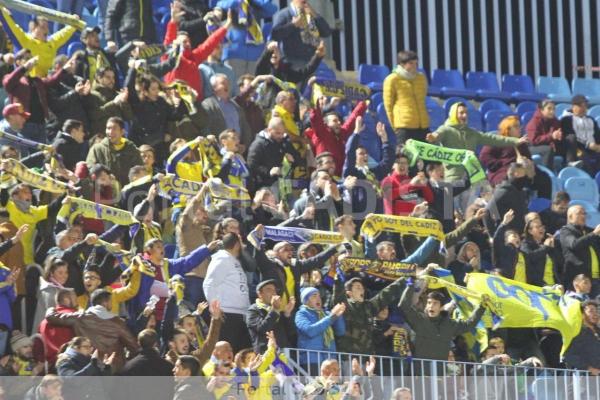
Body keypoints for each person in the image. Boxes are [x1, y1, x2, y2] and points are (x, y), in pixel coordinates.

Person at [426, 102, 527, 183]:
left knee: (473, 205)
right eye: (461, 113)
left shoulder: (472, 132)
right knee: (449, 207)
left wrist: (516, 141)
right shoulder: (445, 130)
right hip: (453, 177)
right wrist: (433, 137)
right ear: (453, 114)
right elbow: (437, 135)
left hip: (472, 177)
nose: (464, 115)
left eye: (466, 113)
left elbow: (493, 138)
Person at [45, 288, 140, 371]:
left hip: (88, 367)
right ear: (106, 302)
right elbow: (133, 347)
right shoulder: (118, 323)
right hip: (113, 369)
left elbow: (52, 317)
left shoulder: (80, 317)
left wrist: (51, 308)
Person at [398, 282, 486, 363]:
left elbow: (469, 324)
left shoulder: (449, 324)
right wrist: (410, 286)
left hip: (440, 374)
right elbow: (403, 306)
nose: (431, 306)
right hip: (419, 374)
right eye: (429, 303)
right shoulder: (419, 319)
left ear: (441, 307)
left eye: (435, 303)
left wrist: (482, 307)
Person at [332, 275, 407, 355]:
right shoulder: (345, 306)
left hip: (367, 358)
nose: (362, 290)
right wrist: (338, 281)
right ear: (349, 293)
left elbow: (385, 295)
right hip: (348, 357)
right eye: (358, 287)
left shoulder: (368, 307)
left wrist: (404, 280)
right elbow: (338, 297)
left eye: (362, 288)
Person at [480, 115, 552, 199]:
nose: (519, 128)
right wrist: (505, 163)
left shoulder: (521, 143)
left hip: (522, 170)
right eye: (516, 126)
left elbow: (528, 158)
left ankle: (543, 206)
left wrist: (527, 163)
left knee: (544, 179)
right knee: (513, 179)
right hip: (503, 172)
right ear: (508, 129)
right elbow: (484, 157)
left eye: (519, 126)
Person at [163, 9, 230, 96]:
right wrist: (172, 22)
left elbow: (210, 43)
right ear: (175, 43)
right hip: (174, 100)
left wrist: (227, 24)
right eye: (183, 41)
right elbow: (168, 41)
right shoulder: (168, 58)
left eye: (188, 41)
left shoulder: (194, 56)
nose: (187, 44)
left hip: (194, 102)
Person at [203, 233, 252, 352]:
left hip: (240, 316)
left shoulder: (233, 261)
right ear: (236, 245)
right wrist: (215, 309)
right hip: (227, 315)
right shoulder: (222, 258)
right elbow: (209, 283)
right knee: (226, 354)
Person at [0, 10, 76, 78]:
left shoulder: (52, 42)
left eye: (47, 26)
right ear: (33, 29)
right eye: (43, 27)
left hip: (46, 85)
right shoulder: (25, 40)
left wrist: (74, 23)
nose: (46, 29)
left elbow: (64, 34)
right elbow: (10, 26)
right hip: (28, 86)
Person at [305, 95, 367, 177]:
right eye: (335, 121)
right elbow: (315, 119)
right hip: (324, 177)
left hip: (340, 178)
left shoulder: (341, 134)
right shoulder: (322, 133)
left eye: (339, 121)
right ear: (325, 124)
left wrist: (362, 103)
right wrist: (317, 108)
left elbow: (351, 121)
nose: (339, 123)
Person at [383, 50, 429, 143]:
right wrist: (395, 126)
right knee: (404, 156)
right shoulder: (392, 79)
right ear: (401, 64)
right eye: (411, 63)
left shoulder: (421, 78)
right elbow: (388, 106)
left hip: (423, 126)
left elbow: (423, 99)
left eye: (416, 63)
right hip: (404, 127)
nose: (414, 66)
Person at [295, 286, 345, 370]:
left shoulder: (326, 314)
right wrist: (331, 317)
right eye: (314, 296)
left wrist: (338, 315)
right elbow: (310, 331)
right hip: (311, 360)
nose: (318, 298)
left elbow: (341, 332)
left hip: (330, 360)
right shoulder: (301, 314)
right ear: (306, 300)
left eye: (319, 296)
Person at [199, 74, 252, 151]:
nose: (227, 85)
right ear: (214, 87)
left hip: (238, 150)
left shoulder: (235, 105)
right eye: (223, 83)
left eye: (228, 83)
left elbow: (245, 126)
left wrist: (244, 145)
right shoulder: (208, 105)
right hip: (220, 151)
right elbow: (205, 128)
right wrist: (216, 146)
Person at [86, 117, 144, 186]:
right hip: (105, 192)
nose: (110, 132)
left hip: (129, 192)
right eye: (108, 128)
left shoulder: (132, 149)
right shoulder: (96, 149)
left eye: (114, 128)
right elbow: (90, 169)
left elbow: (140, 171)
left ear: (122, 132)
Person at [271, 0, 331, 67]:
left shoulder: (310, 14)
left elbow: (327, 32)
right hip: (291, 62)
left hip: (311, 61)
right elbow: (275, 34)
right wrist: (293, 25)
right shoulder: (284, 14)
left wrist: (315, 15)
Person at [247, 116, 299, 191]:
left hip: (284, 185)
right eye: (277, 133)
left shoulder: (284, 141)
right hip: (265, 186)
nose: (280, 136)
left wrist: (293, 160)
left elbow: (298, 159)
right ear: (269, 130)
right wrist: (269, 171)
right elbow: (251, 165)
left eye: (282, 133)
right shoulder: (258, 144)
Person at [559, 205, 600, 296]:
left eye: (584, 213)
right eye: (579, 213)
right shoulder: (566, 231)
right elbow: (575, 244)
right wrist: (594, 233)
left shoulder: (588, 231)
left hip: (595, 277)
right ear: (570, 217)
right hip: (579, 280)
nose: (583, 216)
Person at [245, 279, 295, 353]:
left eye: (274, 290)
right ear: (260, 294)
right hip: (265, 355)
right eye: (269, 290)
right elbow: (263, 329)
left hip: (283, 355)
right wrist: (274, 310)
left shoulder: (278, 310)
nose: (273, 293)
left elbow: (291, 333)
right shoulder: (253, 311)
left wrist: (287, 314)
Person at [382, 152, 433, 216]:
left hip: (411, 222)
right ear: (393, 165)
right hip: (393, 223)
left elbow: (430, 199)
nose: (402, 165)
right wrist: (410, 185)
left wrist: (424, 185)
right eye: (399, 163)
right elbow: (389, 195)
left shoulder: (413, 180)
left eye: (405, 163)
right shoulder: (387, 180)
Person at [484, 163, 530, 234]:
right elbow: (488, 212)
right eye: (523, 174)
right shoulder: (503, 192)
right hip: (507, 236)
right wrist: (492, 235)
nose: (525, 177)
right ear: (516, 174)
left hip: (520, 235)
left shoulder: (520, 191)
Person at [561, 94, 600, 175]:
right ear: (573, 107)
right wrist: (587, 145)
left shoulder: (591, 120)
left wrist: (598, 146)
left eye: (585, 106)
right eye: (580, 106)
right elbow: (570, 137)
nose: (583, 108)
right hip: (578, 148)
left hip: (594, 148)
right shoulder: (567, 120)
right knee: (584, 159)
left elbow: (597, 135)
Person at [38, 288, 76, 367]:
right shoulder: (75, 316)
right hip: (71, 363)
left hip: (50, 365)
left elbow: (38, 346)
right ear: (66, 299)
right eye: (75, 298)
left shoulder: (43, 322)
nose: (76, 301)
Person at [563, 300, 600, 375]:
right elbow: (569, 355)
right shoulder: (577, 332)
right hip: (584, 377)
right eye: (591, 311)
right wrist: (589, 368)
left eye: (597, 311)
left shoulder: (598, 331)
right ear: (582, 314)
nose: (596, 314)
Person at [526, 99, 564, 167]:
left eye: (553, 109)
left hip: (549, 146)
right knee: (547, 149)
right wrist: (551, 136)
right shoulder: (534, 122)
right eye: (549, 109)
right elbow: (534, 141)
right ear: (541, 110)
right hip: (532, 147)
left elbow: (556, 136)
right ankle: (548, 173)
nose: (552, 111)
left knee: (569, 140)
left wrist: (559, 136)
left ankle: (569, 165)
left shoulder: (555, 121)